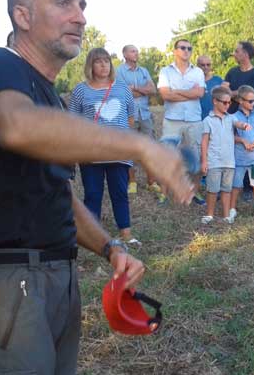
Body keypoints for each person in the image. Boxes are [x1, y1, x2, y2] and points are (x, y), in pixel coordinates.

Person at [0, 0, 193, 375]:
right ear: (22, 16)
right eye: (63, 2)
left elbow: (58, 195)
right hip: (9, 286)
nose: (80, 16)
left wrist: (110, 248)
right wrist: (139, 145)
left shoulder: (51, 98)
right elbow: (17, 127)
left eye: (81, 5)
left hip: (59, 277)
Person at [69, 48, 136, 244]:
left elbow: (130, 116)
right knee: (92, 195)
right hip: (91, 154)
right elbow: (73, 121)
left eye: (106, 61)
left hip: (118, 153)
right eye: (98, 62)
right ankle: (93, 238)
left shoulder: (122, 87)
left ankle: (126, 234)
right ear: (91, 65)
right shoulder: (81, 90)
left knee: (120, 193)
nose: (104, 65)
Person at [158, 39, 207, 205]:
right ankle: (164, 193)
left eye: (189, 48)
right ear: (175, 51)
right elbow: (165, 95)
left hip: (193, 120)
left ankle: (194, 192)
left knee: (195, 157)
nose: (186, 51)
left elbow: (199, 93)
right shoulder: (165, 71)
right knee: (167, 157)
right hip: (172, 120)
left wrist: (176, 91)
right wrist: (189, 92)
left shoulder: (198, 72)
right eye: (183, 48)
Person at [200, 86, 251, 224]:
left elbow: (238, 123)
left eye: (229, 103)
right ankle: (209, 214)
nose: (228, 105)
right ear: (215, 101)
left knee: (226, 190)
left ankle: (226, 215)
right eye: (224, 102)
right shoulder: (207, 121)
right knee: (212, 190)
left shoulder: (230, 118)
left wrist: (243, 125)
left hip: (229, 162)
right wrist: (204, 161)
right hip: (214, 161)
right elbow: (204, 142)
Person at [116, 44, 157, 195]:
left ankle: (151, 182)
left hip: (145, 114)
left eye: (137, 51)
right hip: (128, 115)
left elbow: (153, 90)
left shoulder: (144, 71)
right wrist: (142, 90)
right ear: (125, 54)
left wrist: (135, 88)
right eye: (133, 51)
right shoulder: (118, 71)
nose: (136, 53)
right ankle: (131, 181)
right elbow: (122, 93)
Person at [230, 85, 254, 219]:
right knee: (236, 185)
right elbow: (230, 137)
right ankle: (232, 209)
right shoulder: (233, 117)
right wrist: (242, 141)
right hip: (239, 159)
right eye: (250, 101)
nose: (253, 103)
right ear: (240, 100)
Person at [223, 41, 254, 113]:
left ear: (246, 54)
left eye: (237, 51)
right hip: (230, 116)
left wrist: (231, 94)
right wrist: (238, 95)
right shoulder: (231, 72)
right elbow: (223, 90)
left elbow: (249, 96)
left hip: (247, 118)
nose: (234, 54)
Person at [197, 54, 224, 120]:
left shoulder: (218, 80)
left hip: (215, 119)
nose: (206, 67)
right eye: (202, 65)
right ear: (197, 66)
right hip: (197, 119)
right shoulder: (193, 81)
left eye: (208, 64)